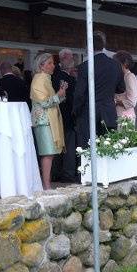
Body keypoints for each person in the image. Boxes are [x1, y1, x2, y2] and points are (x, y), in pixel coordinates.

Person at [74, 31, 125, 146]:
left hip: (88, 113)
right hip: (108, 111)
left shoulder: (84, 66)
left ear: (88, 47)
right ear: (103, 46)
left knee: (88, 149)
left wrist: (76, 111)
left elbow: (79, 94)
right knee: (108, 148)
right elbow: (121, 88)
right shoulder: (115, 64)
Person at [30, 53, 66, 190]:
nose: (53, 65)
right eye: (49, 63)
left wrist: (60, 94)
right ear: (41, 66)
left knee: (50, 153)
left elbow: (51, 100)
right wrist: (58, 96)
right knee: (47, 153)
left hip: (47, 119)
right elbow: (43, 102)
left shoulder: (46, 78)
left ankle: (47, 183)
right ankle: (46, 185)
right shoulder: (39, 79)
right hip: (43, 120)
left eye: (53, 62)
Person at [52, 49, 78, 183]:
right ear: (63, 59)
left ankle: (55, 173)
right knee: (68, 145)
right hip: (67, 116)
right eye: (70, 57)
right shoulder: (64, 78)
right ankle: (67, 173)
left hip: (58, 116)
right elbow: (71, 99)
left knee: (58, 145)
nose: (72, 59)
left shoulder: (55, 76)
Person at [113, 51, 137, 123]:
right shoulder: (120, 76)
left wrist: (115, 101)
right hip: (119, 115)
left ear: (125, 63)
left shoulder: (129, 77)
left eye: (116, 63)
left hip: (125, 116)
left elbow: (131, 102)